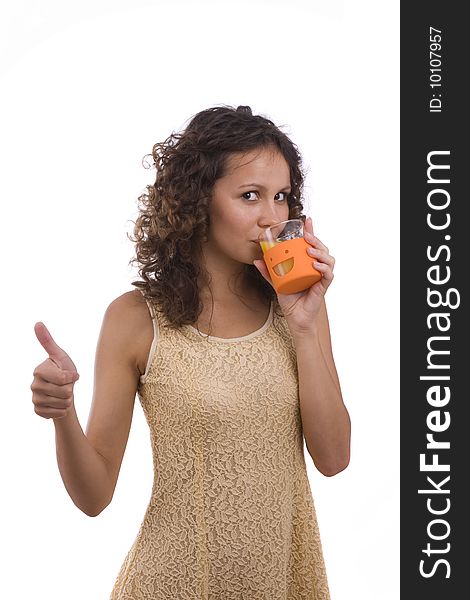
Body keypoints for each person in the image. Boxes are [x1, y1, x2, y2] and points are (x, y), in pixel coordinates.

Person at [30, 105, 351, 599]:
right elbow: (94, 497)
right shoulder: (136, 319)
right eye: (250, 196)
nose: (272, 216)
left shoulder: (299, 311)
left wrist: (305, 327)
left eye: (282, 197)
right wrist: (63, 414)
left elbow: (333, 458)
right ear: (198, 201)